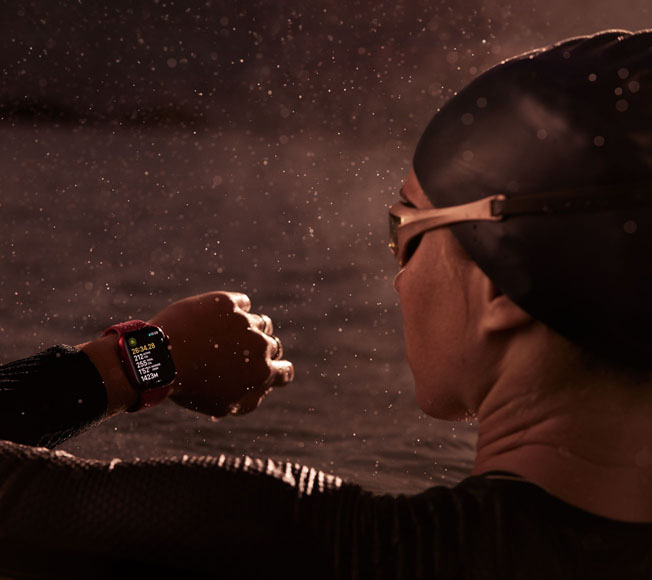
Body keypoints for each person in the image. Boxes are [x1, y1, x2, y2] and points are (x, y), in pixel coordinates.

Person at [1, 29, 651, 579]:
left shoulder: (284, 541)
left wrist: (136, 360)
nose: (397, 275)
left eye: (406, 229)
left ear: (504, 287)